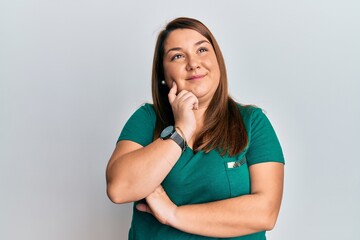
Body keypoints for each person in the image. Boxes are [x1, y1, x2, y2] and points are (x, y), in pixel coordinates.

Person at [106, 17, 285, 240]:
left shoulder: (252, 122)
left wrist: (173, 213)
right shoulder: (147, 118)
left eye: (202, 50)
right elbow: (120, 189)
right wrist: (181, 130)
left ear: (217, 59)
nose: (193, 63)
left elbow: (265, 213)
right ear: (163, 73)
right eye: (177, 56)